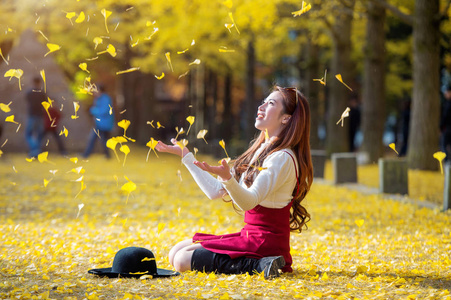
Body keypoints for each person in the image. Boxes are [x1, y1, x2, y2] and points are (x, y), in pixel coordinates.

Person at [156, 86, 313, 279]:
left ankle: (261, 264)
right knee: (176, 252)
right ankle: (260, 262)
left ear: (286, 118)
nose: (261, 106)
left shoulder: (282, 158)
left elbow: (249, 202)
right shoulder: (263, 150)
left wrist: (229, 179)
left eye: (270, 103)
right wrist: (186, 156)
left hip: (266, 244)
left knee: (181, 260)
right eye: (263, 101)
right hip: (251, 236)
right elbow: (215, 191)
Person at [82, 84, 114, 158]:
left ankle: (86, 154)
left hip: (104, 123)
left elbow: (104, 111)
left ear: (100, 90)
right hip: (99, 123)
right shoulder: (98, 99)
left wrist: (93, 110)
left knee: (101, 140)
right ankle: (87, 154)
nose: (94, 92)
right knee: (98, 139)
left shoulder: (106, 99)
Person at [25, 77, 46, 158]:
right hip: (40, 116)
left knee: (29, 134)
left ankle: (35, 150)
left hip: (32, 115)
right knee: (39, 135)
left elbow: (28, 101)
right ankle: (36, 151)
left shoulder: (29, 93)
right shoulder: (42, 93)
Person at [441, 86, 451, 162]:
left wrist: (441, 126)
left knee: (443, 145)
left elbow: (445, 116)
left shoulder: (448, 104)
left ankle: (447, 162)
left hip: (448, 128)